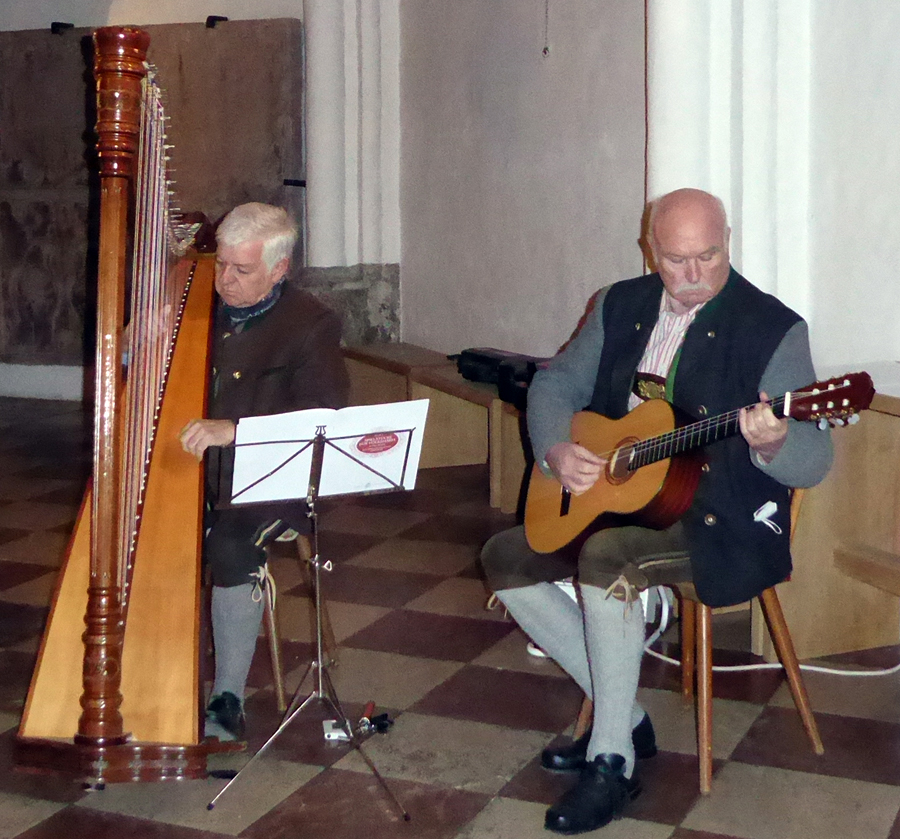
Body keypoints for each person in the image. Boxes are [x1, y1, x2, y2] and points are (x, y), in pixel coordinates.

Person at [480, 188, 833, 834]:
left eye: (710, 255)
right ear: (650, 250)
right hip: (622, 498)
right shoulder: (622, 304)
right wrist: (559, 449)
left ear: (730, 240)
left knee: (604, 557)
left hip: (722, 512)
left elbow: (814, 458)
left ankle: (610, 757)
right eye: (676, 260)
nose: (694, 275)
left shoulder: (773, 328)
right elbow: (556, 384)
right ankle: (626, 712)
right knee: (505, 557)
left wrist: (776, 440)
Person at [180, 202, 349, 741]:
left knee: (228, 543)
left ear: (279, 269)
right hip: (192, 468)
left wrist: (234, 430)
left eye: (240, 270)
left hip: (273, 479)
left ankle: (226, 694)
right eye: (221, 265)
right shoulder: (194, 299)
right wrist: (138, 339)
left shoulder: (311, 324)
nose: (223, 280)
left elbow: (319, 419)